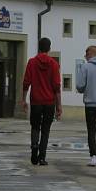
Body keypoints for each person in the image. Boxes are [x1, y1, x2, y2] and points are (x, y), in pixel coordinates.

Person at [21, 37, 62, 166]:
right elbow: (56, 86)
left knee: (35, 126)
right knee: (46, 129)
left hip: (36, 101)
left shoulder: (32, 62)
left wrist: (23, 100)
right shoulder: (54, 64)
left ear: (39, 47)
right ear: (49, 48)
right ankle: (42, 157)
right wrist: (59, 106)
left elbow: (26, 82)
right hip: (49, 102)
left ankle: (34, 147)